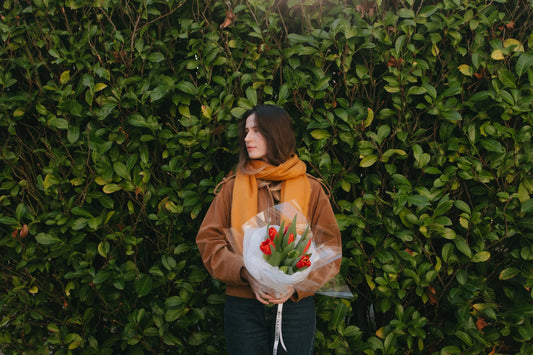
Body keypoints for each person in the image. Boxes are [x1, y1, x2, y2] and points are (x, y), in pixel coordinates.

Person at [196, 104, 342, 354]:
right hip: (243, 306)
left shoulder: (311, 188)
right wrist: (245, 273)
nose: (246, 138)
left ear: (276, 134)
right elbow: (209, 241)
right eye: (246, 131)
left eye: (256, 131)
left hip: (295, 308)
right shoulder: (231, 187)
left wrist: (295, 286)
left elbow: (330, 248)